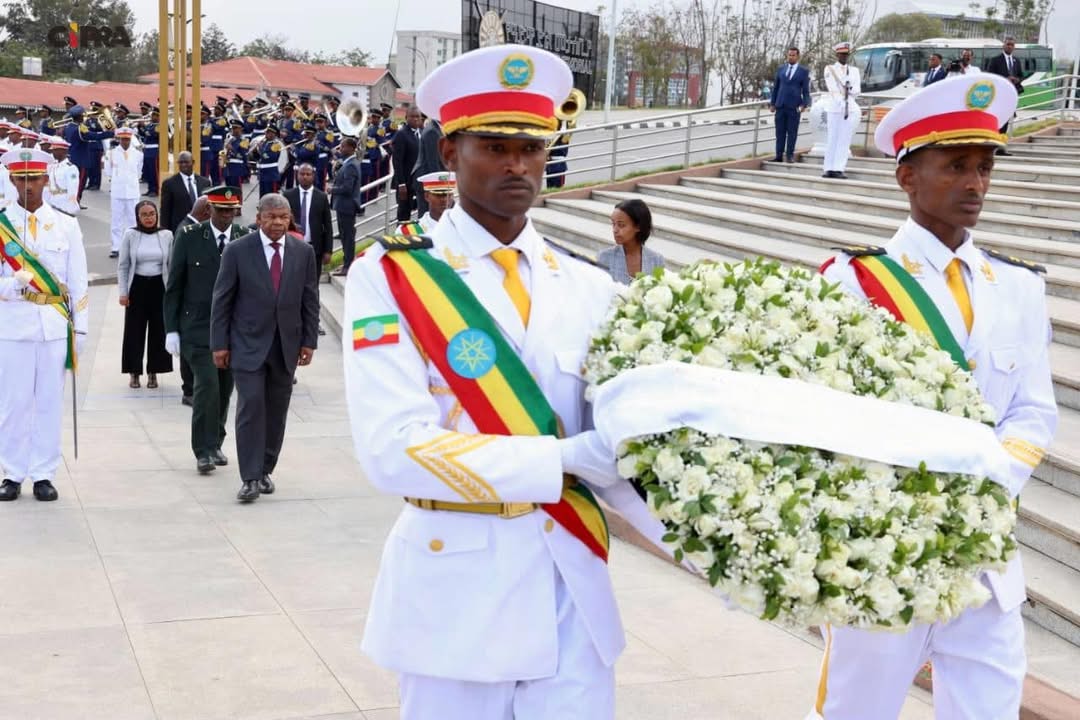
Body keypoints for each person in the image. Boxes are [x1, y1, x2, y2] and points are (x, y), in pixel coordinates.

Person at [343, 43, 670, 719]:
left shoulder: (587, 286)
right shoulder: (394, 274)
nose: (517, 164)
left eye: (532, 147)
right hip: (456, 592)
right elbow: (391, 448)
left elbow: (625, 447)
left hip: (569, 585)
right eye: (494, 146)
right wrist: (558, 459)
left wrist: (713, 552)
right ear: (450, 153)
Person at [811, 74, 1057, 720]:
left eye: (983, 167)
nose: (975, 184)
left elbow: (1033, 411)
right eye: (955, 166)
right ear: (906, 177)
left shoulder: (1018, 289)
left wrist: (983, 487)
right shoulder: (854, 285)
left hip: (985, 565)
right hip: (886, 560)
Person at [210, 193, 319, 502]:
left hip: (286, 345)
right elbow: (222, 301)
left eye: (283, 217)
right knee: (251, 405)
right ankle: (249, 477)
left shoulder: (303, 252)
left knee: (276, 411)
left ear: (290, 219)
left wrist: (309, 341)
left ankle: (265, 468)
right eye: (271, 217)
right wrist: (219, 344)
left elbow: (310, 300)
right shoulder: (237, 251)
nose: (277, 223)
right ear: (258, 218)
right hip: (247, 344)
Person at [0, 148, 88, 502]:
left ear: (45, 180)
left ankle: (43, 473)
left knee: (49, 401)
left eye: (33, 179)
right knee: (13, 402)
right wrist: (12, 284)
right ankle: (12, 472)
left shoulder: (65, 225)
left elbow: (79, 284)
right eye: (21, 179)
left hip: (54, 326)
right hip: (13, 326)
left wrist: (80, 329)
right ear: (11, 180)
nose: (28, 186)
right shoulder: (2, 226)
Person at [164, 186, 246, 474]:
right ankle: (202, 449)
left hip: (233, 329)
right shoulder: (189, 238)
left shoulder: (243, 237)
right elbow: (174, 286)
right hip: (197, 328)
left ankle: (216, 442)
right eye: (220, 210)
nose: (226, 216)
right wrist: (171, 329)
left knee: (225, 389)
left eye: (231, 211)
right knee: (207, 386)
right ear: (209, 209)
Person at [118, 200, 173, 389]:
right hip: (137, 287)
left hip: (160, 286)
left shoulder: (167, 235)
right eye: (144, 215)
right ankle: (134, 372)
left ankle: (154, 372)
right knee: (134, 331)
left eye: (152, 214)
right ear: (138, 217)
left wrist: (173, 293)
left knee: (159, 331)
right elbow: (123, 266)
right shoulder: (130, 235)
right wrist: (123, 292)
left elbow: (171, 266)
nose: (149, 218)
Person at [283, 163, 334, 278]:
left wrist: (328, 250)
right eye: (302, 174)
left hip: (314, 249)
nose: (305, 177)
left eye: (308, 174)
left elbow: (328, 225)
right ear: (297, 175)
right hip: (292, 247)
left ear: (313, 176)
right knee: (292, 282)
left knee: (313, 283)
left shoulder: (321, 197)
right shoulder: (288, 195)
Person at [598, 198, 665, 283]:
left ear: (638, 226)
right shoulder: (604, 257)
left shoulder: (657, 260)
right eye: (613, 224)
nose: (615, 230)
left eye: (621, 225)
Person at [823, 41, 861, 179]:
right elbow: (832, 89)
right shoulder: (830, 69)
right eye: (842, 54)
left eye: (846, 54)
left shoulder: (855, 71)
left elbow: (857, 90)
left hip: (849, 108)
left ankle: (839, 168)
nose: (844, 57)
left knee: (844, 139)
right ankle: (828, 168)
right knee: (832, 138)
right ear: (837, 54)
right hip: (835, 107)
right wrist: (841, 101)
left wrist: (849, 89)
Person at [62, 104, 114, 202]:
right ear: (79, 116)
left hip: (72, 158)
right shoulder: (79, 128)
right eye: (83, 115)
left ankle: (72, 201)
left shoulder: (69, 126)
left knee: (73, 182)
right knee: (80, 183)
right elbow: (93, 136)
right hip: (81, 160)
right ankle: (75, 202)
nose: (84, 116)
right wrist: (111, 133)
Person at [105, 127, 143, 258]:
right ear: (119, 139)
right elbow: (108, 172)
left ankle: (133, 246)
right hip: (117, 191)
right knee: (117, 220)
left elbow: (139, 171)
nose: (125, 142)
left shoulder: (138, 154)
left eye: (127, 139)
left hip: (132, 190)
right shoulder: (111, 153)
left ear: (131, 139)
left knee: (133, 220)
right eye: (123, 139)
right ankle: (116, 247)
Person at [770, 46, 812, 163]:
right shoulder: (781, 69)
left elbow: (806, 91)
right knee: (780, 132)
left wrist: (805, 104)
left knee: (792, 132)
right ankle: (778, 156)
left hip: (794, 107)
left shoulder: (803, 71)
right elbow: (776, 87)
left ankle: (789, 156)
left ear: (797, 56)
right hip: (780, 105)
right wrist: (772, 103)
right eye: (789, 55)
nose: (791, 57)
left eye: (793, 55)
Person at [330, 136, 363, 276]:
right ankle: (346, 263)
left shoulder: (351, 165)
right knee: (344, 236)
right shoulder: (347, 163)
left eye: (343, 146)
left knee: (348, 238)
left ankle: (348, 266)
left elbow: (348, 188)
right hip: (343, 205)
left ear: (351, 148)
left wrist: (332, 190)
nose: (341, 149)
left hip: (347, 206)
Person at [986, 36, 1025, 152]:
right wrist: (1005, 79)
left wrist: (1017, 79)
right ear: (1003, 45)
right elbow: (990, 76)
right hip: (999, 95)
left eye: (1012, 45)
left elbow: (1021, 75)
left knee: (1006, 122)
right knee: (997, 121)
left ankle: (1001, 148)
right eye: (1008, 44)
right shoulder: (995, 60)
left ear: (1014, 47)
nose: (1010, 46)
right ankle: (992, 145)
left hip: (1010, 96)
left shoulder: (1016, 61)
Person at [160, 152, 211, 233]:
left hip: (201, 228)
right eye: (180, 162)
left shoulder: (205, 182)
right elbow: (165, 211)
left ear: (193, 162)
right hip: (180, 230)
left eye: (186, 162)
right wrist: (165, 232)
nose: (183, 165)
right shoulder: (169, 184)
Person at [392, 106, 423, 221]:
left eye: (418, 117)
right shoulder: (402, 134)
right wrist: (401, 184)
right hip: (406, 183)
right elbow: (397, 160)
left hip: (418, 182)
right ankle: (400, 237)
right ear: (406, 118)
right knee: (404, 214)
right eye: (412, 116)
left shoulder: (422, 133)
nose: (415, 119)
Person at [411, 117, 445, 216]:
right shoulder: (432, 132)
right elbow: (432, 162)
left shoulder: (436, 129)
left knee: (430, 213)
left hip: (428, 178)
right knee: (426, 214)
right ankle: (424, 232)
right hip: (427, 178)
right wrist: (440, 187)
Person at [44, 137, 80, 216]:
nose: (52, 152)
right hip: (52, 201)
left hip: (64, 203)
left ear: (63, 151)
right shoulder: (53, 166)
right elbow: (47, 187)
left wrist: (70, 208)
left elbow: (72, 190)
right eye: (52, 150)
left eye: (55, 150)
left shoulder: (71, 168)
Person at [252, 125, 284, 197]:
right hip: (262, 174)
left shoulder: (276, 145)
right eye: (266, 132)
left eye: (269, 133)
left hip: (271, 174)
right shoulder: (264, 143)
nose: (266, 134)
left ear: (274, 134)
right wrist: (255, 152)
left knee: (271, 196)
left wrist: (260, 149)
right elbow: (259, 158)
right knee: (262, 196)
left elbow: (268, 157)